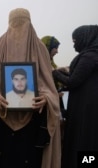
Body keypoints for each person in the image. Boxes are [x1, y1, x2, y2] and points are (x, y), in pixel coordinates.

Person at [0, 8, 61, 168]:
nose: (19, 29)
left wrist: (45, 97)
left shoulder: (40, 49)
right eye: (15, 24)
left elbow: (48, 85)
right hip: (1, 117)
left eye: (23, 24)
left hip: (33, 120)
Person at [52, 24, 98, 168]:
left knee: (83, 140)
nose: (74, 45)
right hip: (87, 106)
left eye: (75, 41)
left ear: (85, 38)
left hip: (86, 109)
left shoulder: (90, 56)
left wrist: (53, 72)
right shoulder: (92, 54)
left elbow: (73, 82)